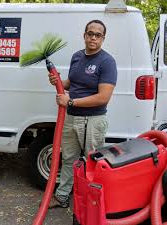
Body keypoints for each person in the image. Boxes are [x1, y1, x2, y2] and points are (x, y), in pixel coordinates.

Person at [48, 20, 117, 208]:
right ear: (84, 35)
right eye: (90, 33)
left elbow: (103, 97)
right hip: (71, 118)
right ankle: (62, 196)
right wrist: (58, 81)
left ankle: (93, 203)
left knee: (93, 163)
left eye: (98, 35)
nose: (93, 37)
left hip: (92, 121)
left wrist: (70, 101)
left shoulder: (107, 61)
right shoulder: (77, 57)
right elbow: (72, 82)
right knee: (69, 159)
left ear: (103, 38)